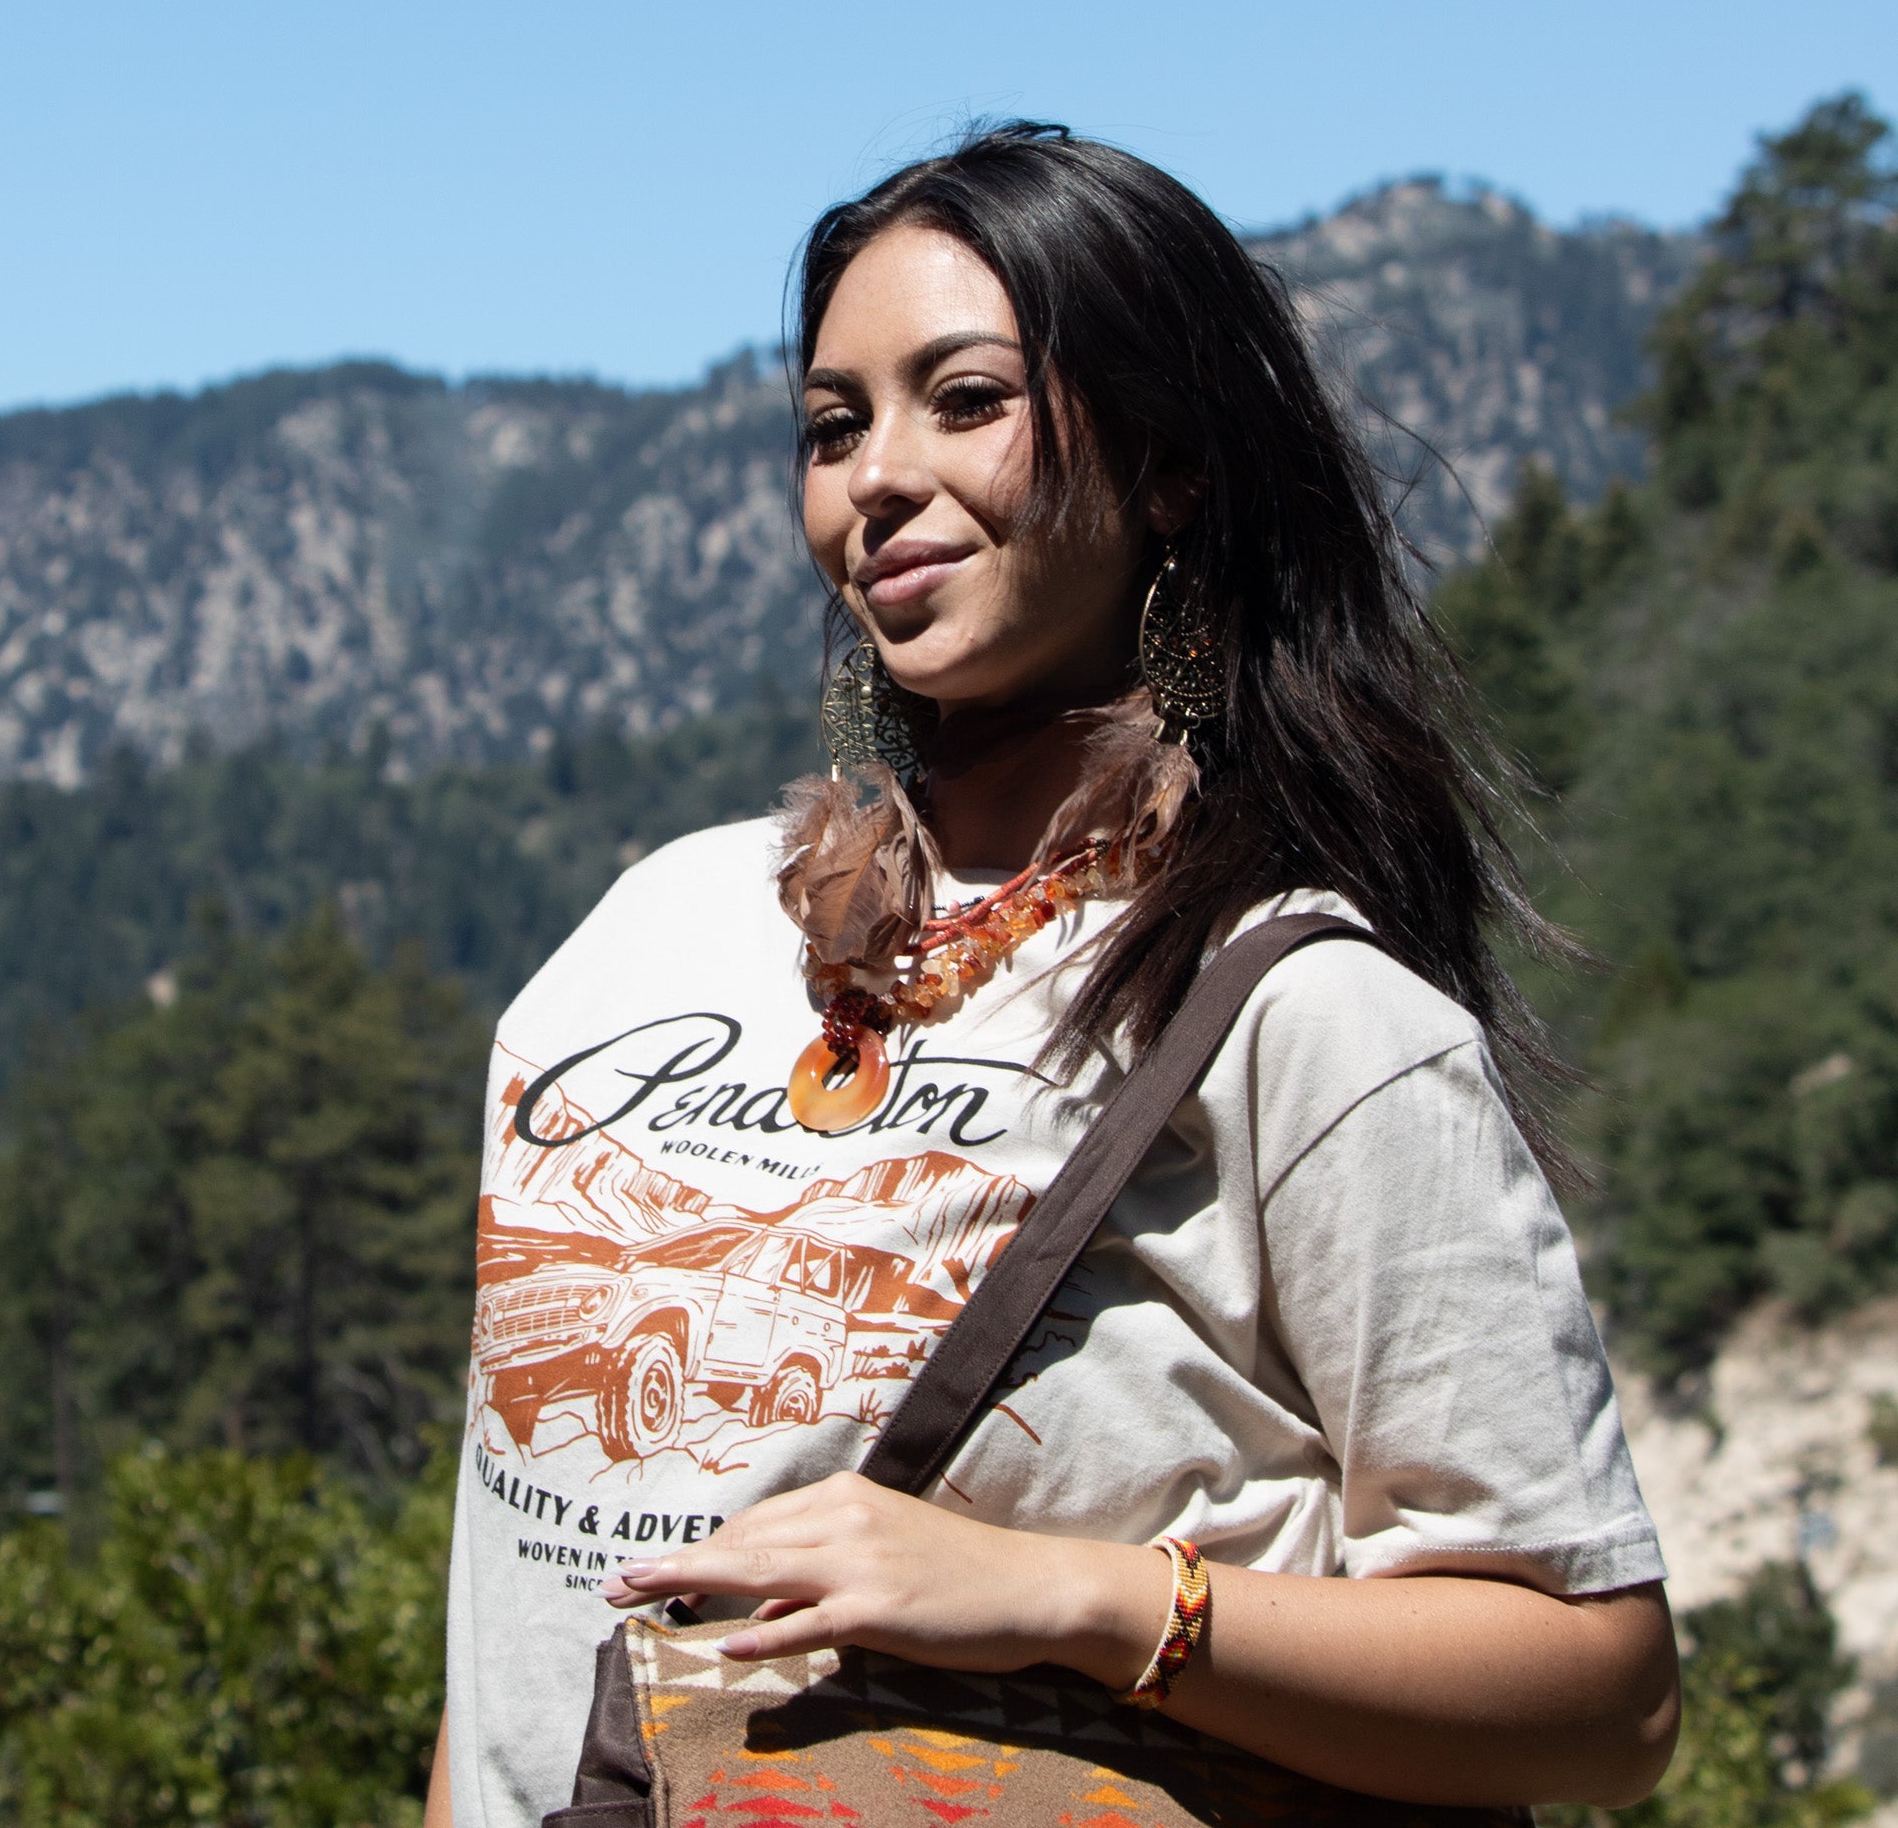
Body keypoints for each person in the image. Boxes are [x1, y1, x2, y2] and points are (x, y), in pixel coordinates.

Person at [425, 124, 1678, 1827]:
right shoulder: (650, 930)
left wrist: (1072, 1601)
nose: (875, 477)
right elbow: (508, 1596)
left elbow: (1603, 1695)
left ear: (1170, 470)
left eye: (967, 401)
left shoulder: (1301, 1013)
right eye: (832, 426)